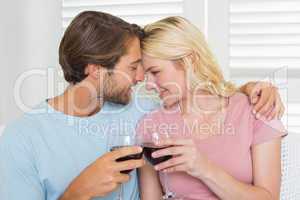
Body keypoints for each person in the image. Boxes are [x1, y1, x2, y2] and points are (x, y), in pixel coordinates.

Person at [0, 11, 284, 200]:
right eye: (134, 67)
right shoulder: (21, 140)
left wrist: (252, 91)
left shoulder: (141, 106)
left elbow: (204, 95)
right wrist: (77, 192)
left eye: (149, 70)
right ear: (96, 71)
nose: (141, 80)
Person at [137, 16, 287, 200]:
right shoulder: (152, 124)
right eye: (145, 76)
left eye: (155, 72)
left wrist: (202, 167)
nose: (149, 85)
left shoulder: (257, 109)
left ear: (188, 60)